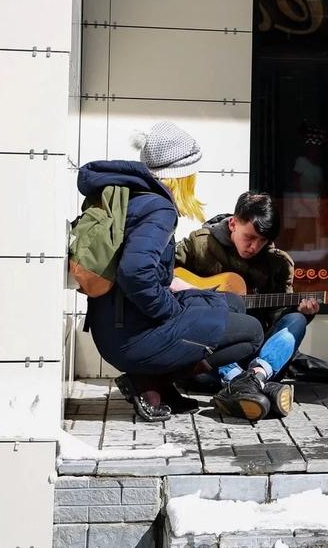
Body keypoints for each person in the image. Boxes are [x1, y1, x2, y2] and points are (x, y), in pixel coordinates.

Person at [81, 121, 280, 423]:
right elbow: (135, 271)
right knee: (251, 332)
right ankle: (148, 382)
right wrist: (168, 308)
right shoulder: (158, 207)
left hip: (113, 325)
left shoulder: (127, 194)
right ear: (181, 173)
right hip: (134, 335)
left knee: (234, 304)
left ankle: (156, 383)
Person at [175, 192, 328, 389]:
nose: (254, 246)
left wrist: (303, 313)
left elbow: (277, 318)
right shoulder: (199, 245)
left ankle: (258, 375)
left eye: (262, 240)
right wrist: (194, 292)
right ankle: (237, 380)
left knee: (295, 321)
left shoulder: (278, 263)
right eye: (249, 237)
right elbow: (158, 273)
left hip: (253, 350)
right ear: (233, 224)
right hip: (207, 353)